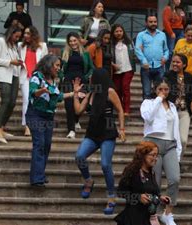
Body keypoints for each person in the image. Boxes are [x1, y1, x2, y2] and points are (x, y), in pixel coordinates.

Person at [73, 68, 126, 215]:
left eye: (91, 77)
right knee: (79, 157)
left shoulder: (109, 92)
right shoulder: (91, 92)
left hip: (108, 133)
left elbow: (120, 110)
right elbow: (78, 111)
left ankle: (111, 197)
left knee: (105, 164)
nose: (89, 80)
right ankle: (88, 181)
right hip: (92, 134)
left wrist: (122, 128)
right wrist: (76, 93)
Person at [26, 55, 76, 187]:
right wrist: (40, 91)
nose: (59, 68)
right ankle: (37, 178)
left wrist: (73, 94)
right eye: (57, 65)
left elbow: (57, 97)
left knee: (47, 145)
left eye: (60, 66)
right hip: (35, 114)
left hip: (48, 116)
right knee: (40, 143)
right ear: (49, 65)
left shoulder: (54, 80)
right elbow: (32, 91)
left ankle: (40, 174)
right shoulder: (38, 76)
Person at [140, 80, 181, 225]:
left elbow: (176, 128)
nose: (164, 91)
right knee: (154, 181)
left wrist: (179, 149)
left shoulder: (172, 106)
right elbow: (148, 118)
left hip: (170, 144)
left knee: (175, 179)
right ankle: (153, 213)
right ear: (155, 89)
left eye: (166, 89)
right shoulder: (148, 102)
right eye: (160, 89)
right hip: (153, 143)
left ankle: (168, 213)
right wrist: (158, 99)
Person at [0, 26, 23, 144]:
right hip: (3, 75)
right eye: (16, 36)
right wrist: (10, 62)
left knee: (13, 103)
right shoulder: (0, 41)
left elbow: (15, 59)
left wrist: (19, 62)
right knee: (6, 100)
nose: (17, 39)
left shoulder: (14, 46)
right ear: (10, 33)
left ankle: (2, 127)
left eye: (19, 37)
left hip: (14, 76)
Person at [59, 32, 95, 139]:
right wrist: (62, 77)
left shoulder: (85, 54)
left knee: (80, 102)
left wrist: (87, 76)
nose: (73, 43)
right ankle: (71, 130)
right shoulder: (64, 52)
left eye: (74, 40)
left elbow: (91, 68)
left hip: (81, 81)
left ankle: (75, 120)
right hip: (68, 81)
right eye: (70, 41)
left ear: (79, 40)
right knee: (69, 104)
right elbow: (58, 67)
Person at [18, 26, 49, 137]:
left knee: (37, 101)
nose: (25, 35)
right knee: (27, 100)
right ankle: (26, 126)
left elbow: (46, 63)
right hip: (25, 77)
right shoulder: (20, 46)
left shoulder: (43, 46)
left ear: (33, 35)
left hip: (38, 78)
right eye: (25, 33)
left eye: (28, 33)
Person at [164, 53, 192, 156]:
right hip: (170, 111)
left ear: (184, 64)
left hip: (184, 111)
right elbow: (162, 92)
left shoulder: (189, 77)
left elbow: (191, 92)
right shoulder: (167, 75)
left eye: (178, 62)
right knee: (170, 139)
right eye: (173, 62)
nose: (174, 64)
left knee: (183, 140)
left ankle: (178, 161)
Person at [135, 14, 169, 99]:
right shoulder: (141, 35)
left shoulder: (162, 35)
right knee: (147, 92)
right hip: (146, 67)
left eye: (155, 22)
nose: (153, 23)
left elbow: (166, 50)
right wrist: (143, 61)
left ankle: (158, 111)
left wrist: (165, 57)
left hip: (159, 66)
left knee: (160, 91)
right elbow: (137, 49)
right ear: (146, 23)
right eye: (150, 22)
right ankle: (146, 112)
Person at [111, 24, 135, 116]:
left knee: (125, 87)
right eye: (116, 31)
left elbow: (134, 54)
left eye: (120, 31)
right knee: (117, 90)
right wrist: (113, 65)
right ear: (113, 33)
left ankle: (126, 110)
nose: (119, 33)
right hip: (116, 70)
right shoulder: (111, 44)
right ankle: (119, 108)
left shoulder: (129, 42)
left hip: (128, 68)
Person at [162, 0, 185, 69]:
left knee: (180, 50)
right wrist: (171, 32)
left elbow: (183, 22)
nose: (179, 1)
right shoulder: (167, 9)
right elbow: (166, 22)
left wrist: (183, 16)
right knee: (170, 51)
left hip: (180, 30)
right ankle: (167, 70)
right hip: (171, 30)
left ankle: (179, 69)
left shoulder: (179, 10)